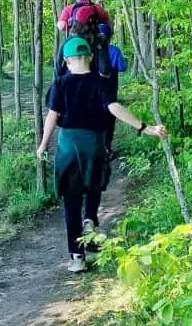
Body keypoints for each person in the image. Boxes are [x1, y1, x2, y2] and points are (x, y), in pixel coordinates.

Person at [36, 37, 167, 273]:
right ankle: (90, 221)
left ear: (66, 61)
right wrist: (144, 127)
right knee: (94, 185)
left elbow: (53, 116)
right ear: (91, 58)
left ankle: (77, 257)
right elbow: (114, 108)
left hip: (69, 146)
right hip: (95, 143)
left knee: (71, 201)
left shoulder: (60, 83)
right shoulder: (101, 82)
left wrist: (43, 145)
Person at [55, 0, 112, 78]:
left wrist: (70, 25)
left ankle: (57, 79)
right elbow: (107, 24)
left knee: (60, 57)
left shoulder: (69, 8)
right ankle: (104, 74)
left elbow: (60, 26)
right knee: (103, 49)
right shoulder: (98, 8)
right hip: (95, 39)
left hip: (75, 36)